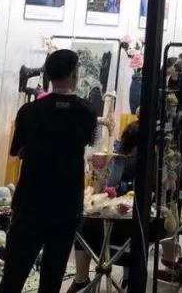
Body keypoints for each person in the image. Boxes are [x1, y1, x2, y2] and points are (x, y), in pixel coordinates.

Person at [0, 49, 102, 293]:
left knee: (13, 276)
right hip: (66, 206)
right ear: (74, 73)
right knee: (52, 279)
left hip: (30, 202)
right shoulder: (87, 111)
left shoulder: (28, 111)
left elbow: (17, 151)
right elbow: (91, 147)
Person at [71, 122, 139, 288]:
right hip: (136, 237)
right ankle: (126, 277)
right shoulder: (153, 162)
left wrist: (100, 175)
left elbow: (105, 188)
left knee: (83, 225)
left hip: (115, 234)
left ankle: (81, 279)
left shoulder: (121, 162)